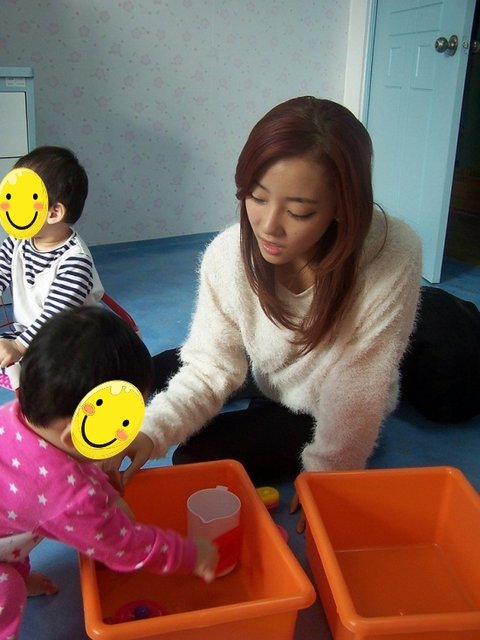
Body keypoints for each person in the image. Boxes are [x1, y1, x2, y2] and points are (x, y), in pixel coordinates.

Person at [124, 96, 422, 514]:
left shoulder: (392, 252)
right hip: (267, 367)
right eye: (257, 197)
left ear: (343, 207)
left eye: (299, 211)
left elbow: (356, 386)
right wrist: (150, 431)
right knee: (145, 372)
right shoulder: (227, 256)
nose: (267, 226)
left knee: (197, 459)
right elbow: (211, 367)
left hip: (323, 398)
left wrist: (328, 475)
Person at [0, 306, 218, 640]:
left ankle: (16, 568)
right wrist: (189, 554)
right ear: (75, 434)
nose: (125, 435)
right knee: (7, 592)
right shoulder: (68, 498)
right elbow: (123, 547)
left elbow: (73, 467)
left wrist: (108, 493)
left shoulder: (18, 414)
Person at [0, 146, 104, 389]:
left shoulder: (74, 261)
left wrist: (18, 346)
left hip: (72, 342)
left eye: (20, 200)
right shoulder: (17, 241)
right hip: (32, 334)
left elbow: (55, 317)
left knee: (43, 379)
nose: (7, 206)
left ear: (54, 212)